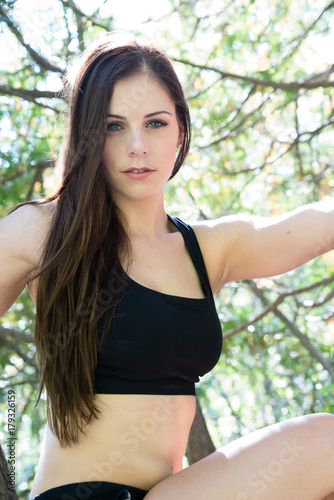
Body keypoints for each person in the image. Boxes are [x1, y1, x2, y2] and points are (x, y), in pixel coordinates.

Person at [0, 33, 334, 500]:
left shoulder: (206, 249)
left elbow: (318, 224)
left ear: (180, 129)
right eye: (114, 127)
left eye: (155, 123)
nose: (138, 146)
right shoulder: (44, 230)